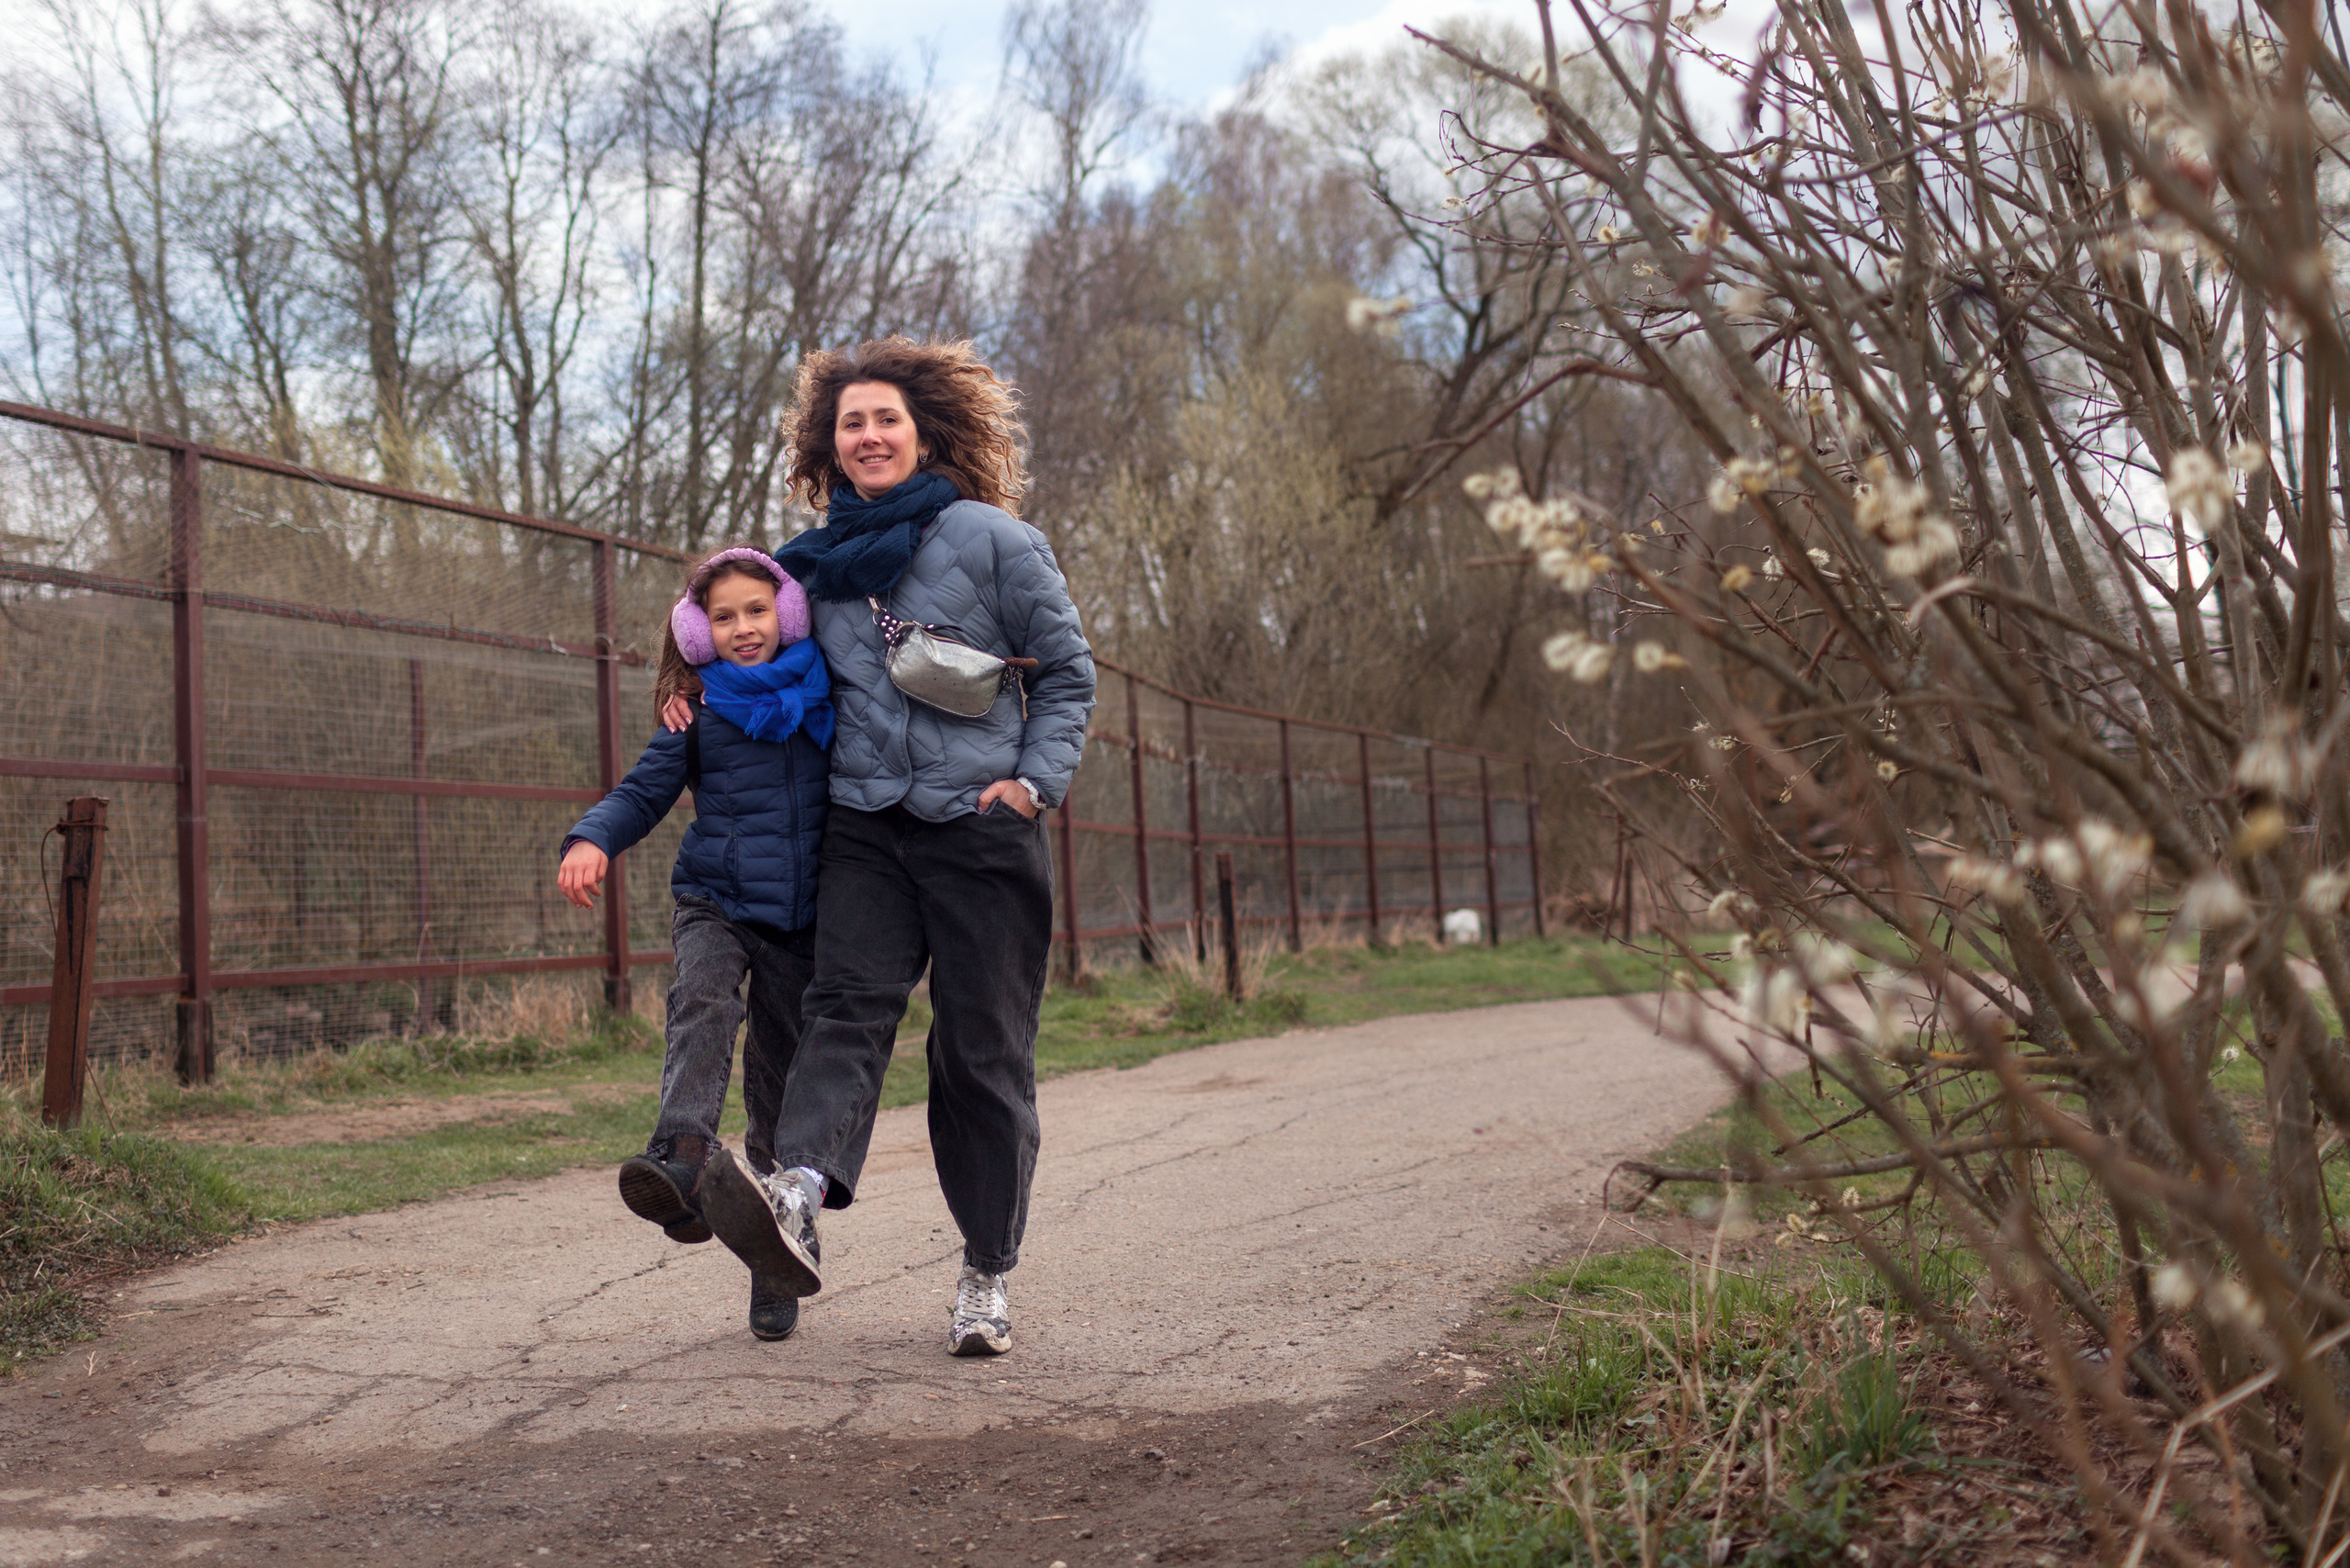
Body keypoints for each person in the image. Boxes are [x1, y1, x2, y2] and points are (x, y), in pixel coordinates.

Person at [664, 337, 1094, 1357]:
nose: (867, 435)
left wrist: (1030, 787)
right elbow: (745, 646)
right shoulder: (803, 570)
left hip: (980, 832)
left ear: (924, 431)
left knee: (978, 1054)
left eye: (884, 419)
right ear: (829, 443)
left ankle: (986, 1269)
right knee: (842, 1009)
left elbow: (1068, 676)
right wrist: (684, 699)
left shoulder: (996, 542)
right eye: (850, 422)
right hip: (863, 824)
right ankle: (797, 1194)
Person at [557, 546, 834, 1342]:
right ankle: (680, 1158)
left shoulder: (829, 696)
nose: (743, 628)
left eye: (756, 611)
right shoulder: (698, 712)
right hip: (715, 897)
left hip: (805, 917)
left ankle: (778, 1251)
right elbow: (644, 792)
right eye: (723, 617)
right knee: (703, 1002)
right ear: (699, 631)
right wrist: (593, 839)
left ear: (785, 615)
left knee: (780, 1078)